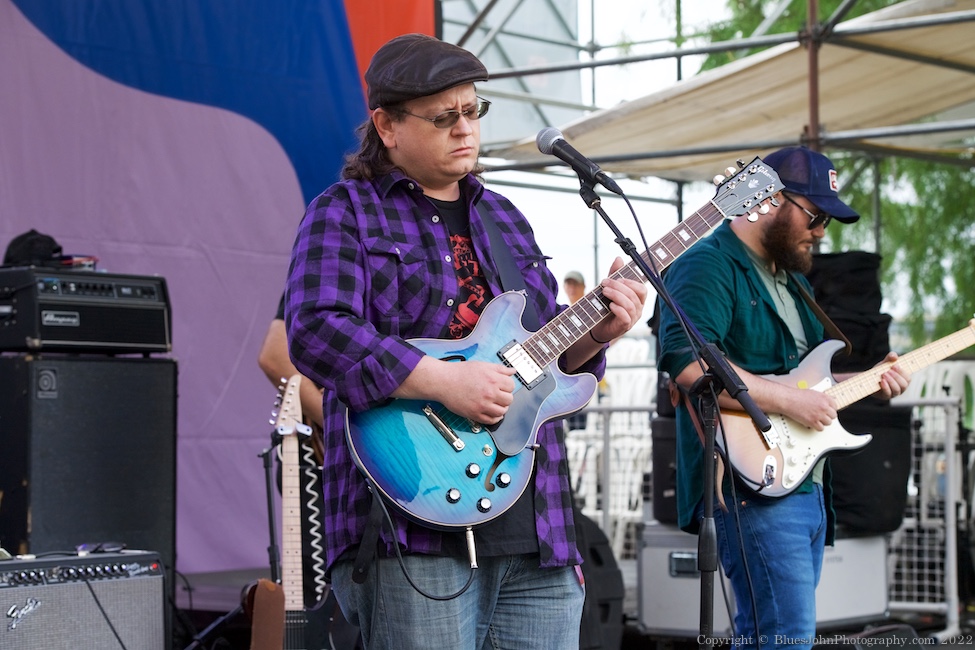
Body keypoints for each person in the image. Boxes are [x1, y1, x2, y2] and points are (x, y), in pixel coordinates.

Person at [284, 33, 647, 650]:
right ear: (387, 125)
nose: (465, 129)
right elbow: (315, 330)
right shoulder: (343, 212)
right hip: (411, 519)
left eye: (473, 111)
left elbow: (543, 356)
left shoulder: (505, 217)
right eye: (444, 117)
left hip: (538, 526)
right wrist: (443, 381)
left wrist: (599, 333)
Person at [656, 146, 911, 649]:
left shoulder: (790, 279)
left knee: (776, 639)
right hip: (753, 488)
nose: (821, 231)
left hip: (805, 482)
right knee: (781, 640)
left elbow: (801, 384)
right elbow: (690, 366)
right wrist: (792, 404)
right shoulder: (707, 264)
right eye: (814, 215)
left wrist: (867, 379)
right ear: (768, 199)